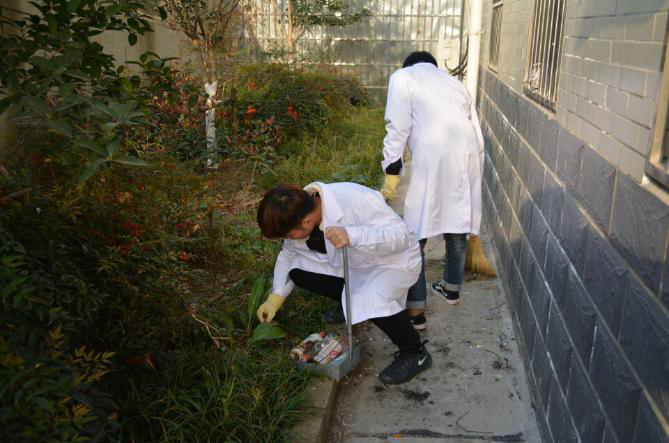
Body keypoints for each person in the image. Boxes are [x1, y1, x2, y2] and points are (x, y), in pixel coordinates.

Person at [255, 181, 431, 385]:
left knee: (370, 299)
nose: (288, 239)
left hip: (390, 261)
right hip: (352, 262)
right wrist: (276, 296)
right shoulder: (297, 211)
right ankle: (347, 303)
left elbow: (401, 237)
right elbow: (288, 255)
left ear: (306, 221)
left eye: (288, 235)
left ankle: (415, 352)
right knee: (298, 272)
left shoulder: (354, 198)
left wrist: (353, 235)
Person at [379, 51, 484, 330]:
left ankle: (416, 311)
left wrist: (391, 170)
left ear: (408, 65)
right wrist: (476, 170)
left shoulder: (403, 77)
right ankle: (451, 288)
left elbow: (397, 127)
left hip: (433, 158)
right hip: (467, 158)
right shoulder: (455, 83)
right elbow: (476, 130)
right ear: (433, 66)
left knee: (416, 235)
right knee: (457, 224)